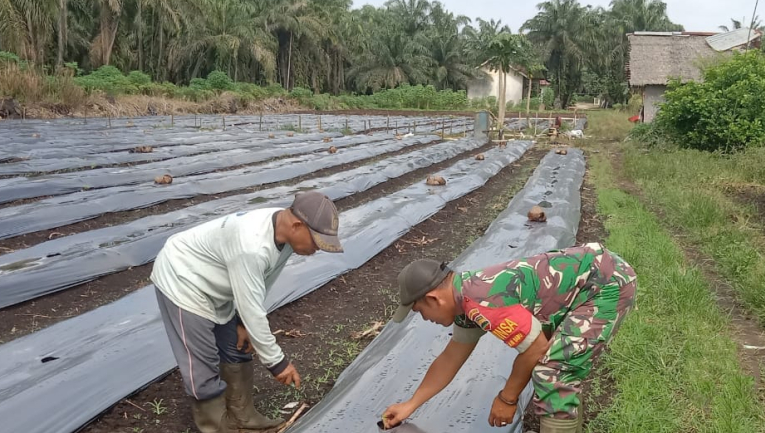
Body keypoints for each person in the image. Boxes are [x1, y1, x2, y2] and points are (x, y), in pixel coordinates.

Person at [383, 243, 636, 433]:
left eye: (420, 311)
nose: (425, 319)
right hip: (583, 284)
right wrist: (410, 404)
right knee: (555, 367)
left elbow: (536, 348)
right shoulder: (464, 303)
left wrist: (507, 398)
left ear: (433, 299)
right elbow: (450, 358)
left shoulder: (482, 300)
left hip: (605, 283)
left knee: (552, 372)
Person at [151, 191, 343, 433]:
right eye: (316, 241)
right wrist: (277, 362)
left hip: (217, 282)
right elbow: (252, 307)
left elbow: (262, 281)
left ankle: (244, 417)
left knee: (236, 346)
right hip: (183, 278)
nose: (317, 248)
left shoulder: (282, 234)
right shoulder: (251, 245)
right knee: (202, 363)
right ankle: (217, 427)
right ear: (297, 225)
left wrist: (241, 323)